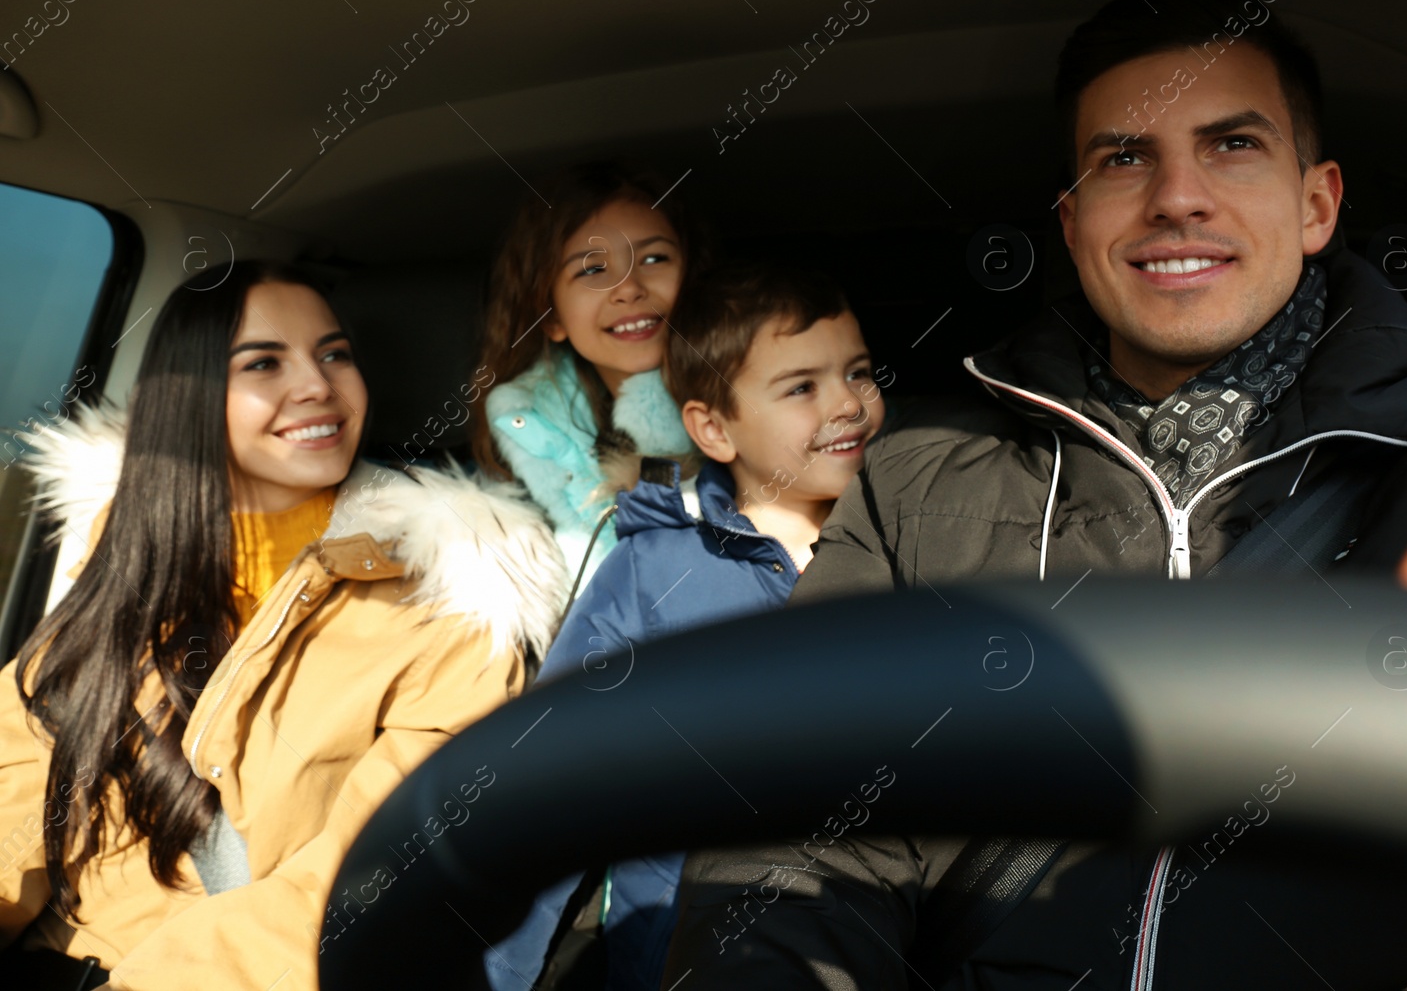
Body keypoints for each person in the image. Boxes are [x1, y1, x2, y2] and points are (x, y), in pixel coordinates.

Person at [662, 0, 1407, 990]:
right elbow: (800, 830)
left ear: (1317, 201)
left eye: (1232, 144)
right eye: (1123, 157)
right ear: (1071, 224)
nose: (1176, 196)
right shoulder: (911, 483)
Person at [0, 263, 566, 990]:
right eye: (265, 362)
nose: (318, 385)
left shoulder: (454, 608)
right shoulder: (118, 572)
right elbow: (15, 797)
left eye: (335, 354)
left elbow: (367, 881)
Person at [484, 263, 887, 991]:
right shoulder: (651, 570)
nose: (848, 405)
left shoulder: (907, 538)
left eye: (858, 372)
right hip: (687, 955)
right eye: (802, 387)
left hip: (871, 935)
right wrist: (493, 975)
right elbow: (552, 779)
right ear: (712, 427)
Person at [473, 160, 709, 601]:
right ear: (551, 318)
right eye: (592, 270)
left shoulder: (767, 408)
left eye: (654, 258)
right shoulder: (528, 456)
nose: (629, 287)